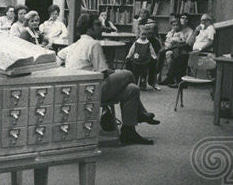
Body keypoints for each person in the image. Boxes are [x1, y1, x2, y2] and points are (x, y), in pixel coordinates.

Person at [58, 12, 159, 145]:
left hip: (79, 90)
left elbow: (59, 56)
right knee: (128, 74)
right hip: (93, 90)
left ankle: (129, 132)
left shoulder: (75, 45)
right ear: (89, 28)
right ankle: (140, 113)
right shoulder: (93, 44)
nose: (101, 27)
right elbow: (104, 73)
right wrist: (113, 71)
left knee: (132, 89)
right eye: (98, 24)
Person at [158, 13, 193, 86]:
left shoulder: (190, 30)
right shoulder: (176, 28)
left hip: (183, 48)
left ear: (188, 20)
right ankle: (158, 76)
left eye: (186, 18)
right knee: (161, 53)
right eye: (182, 18)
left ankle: (170, 77)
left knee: (172, 54)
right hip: (174, 47)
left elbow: (188, 43)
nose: (183, 20)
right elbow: (169, 39)